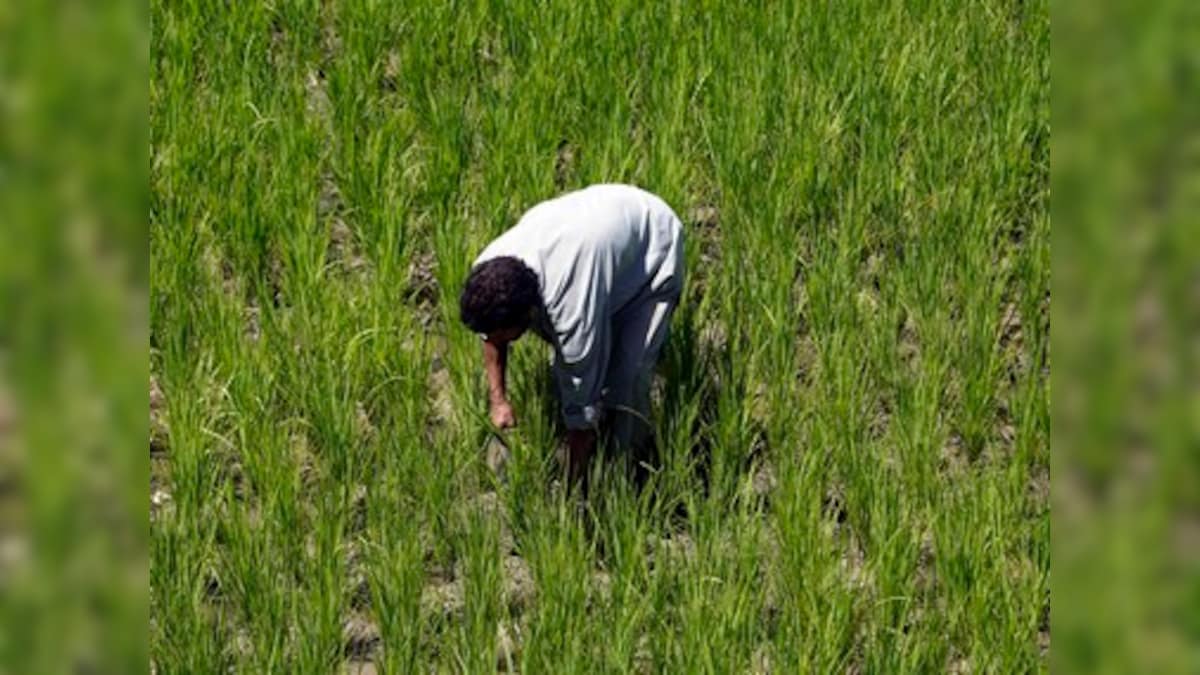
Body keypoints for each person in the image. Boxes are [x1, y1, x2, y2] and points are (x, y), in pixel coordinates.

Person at [459, 184, 685, 483]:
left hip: (651, 247)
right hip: (599, 231)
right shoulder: (489, 269)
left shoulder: (570, 309)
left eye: (504, 334)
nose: (494, 340)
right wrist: (498, 401)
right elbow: (491, 335)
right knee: (579, 366)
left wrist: (571, 487)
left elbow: (581, 414)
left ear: (527, 314)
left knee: (627, 378)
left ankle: (626, 467)